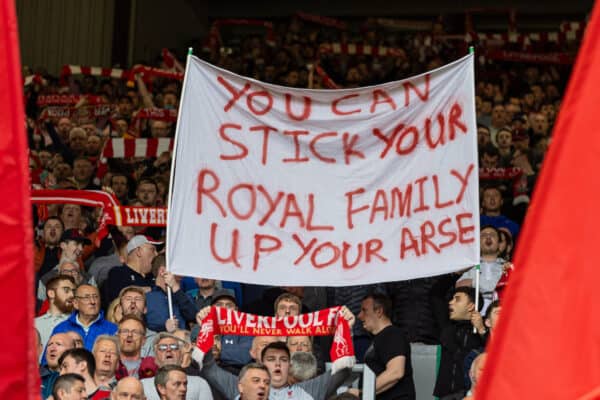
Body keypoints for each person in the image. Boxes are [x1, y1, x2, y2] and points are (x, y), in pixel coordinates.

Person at [349, 293, 415, 400]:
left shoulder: (393, 334)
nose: (359, 315)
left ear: (379, 311)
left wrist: (362, 393)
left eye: (364, 310)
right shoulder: (379, 338)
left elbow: (396, 372)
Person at [432, 286, 486, 400]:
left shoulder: (483, 327)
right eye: (451, 299)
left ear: (471, 306)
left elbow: (495, 354)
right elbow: (435, 295)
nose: (451, 302)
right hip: (445, 394)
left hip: (470, 394)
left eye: (457, 299)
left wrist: (482, 330)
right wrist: (457, 273)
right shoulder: (446, 326)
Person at [140, 333, 213, 400]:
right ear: (155, 357)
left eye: (174, 346)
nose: (168, 350)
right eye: (162, 347)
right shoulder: (143, 385)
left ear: (181, 355)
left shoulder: (199, 383)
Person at [50, 284, 117, 350]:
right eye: (86, 297)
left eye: (96, 297)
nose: (93, 302)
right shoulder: (61, 328)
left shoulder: (112, 329)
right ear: (76, 303)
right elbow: (48, 358)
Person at [103, 235, 160, 307]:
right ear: (139, 251)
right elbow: (122, 297)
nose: (156, 254)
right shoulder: (118, 273)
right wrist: (154, 289)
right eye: (152, 249)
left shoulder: (153, 276)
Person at [146, 254, 197, 332]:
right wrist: (164, 327)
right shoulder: (147, 298)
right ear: (162, 271)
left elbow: (193, 317)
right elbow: (142, 326)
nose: (182, 275)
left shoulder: (185, 296)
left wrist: (175, 288)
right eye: (177, 270)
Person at [35, 275, 76, 349]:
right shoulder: (35, 324)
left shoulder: (78, 323)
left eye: (73, 291)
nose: (72, 295)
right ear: (51, 293)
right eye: (66, 290)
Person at [116, 315, 156, 380]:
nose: (129, 335)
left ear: (143, 340)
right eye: (125, 331)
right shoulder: (110, 366)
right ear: (118, 337)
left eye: (135, 332)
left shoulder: (152, 368)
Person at [41, 333, 76, 399]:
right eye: (49, 345)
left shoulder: (80, 380)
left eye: (59, 344)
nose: (52, 348)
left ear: (71, 352)